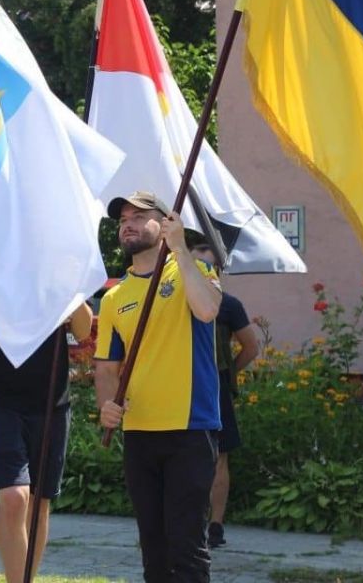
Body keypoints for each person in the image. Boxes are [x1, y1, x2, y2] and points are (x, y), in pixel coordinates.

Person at [95, 191, 222, 583]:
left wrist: (181, 249)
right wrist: (105, 405)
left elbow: (207, 309)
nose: (128, 223)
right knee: (154, 551)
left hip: (190, 429)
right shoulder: (114, 297)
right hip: (140, 434)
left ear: (165, 222)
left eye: (138, 215)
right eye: (122, 219)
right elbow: (106, 367)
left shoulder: (192, 270)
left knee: (186, 549)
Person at [0, 260, 93, 583]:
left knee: (39, 503)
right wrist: (42, 322)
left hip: (51, 400)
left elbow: (83, 329)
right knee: (15, 496)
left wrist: (70, 287)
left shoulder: (58, 262)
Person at [189, 244, 261, 550]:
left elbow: (250, 346)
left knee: (219, 458)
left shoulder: (229, 305)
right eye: (197, 266)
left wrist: (228, 375)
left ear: (218, 271)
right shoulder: (175, 301)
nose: (204, 272)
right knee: (185, 457)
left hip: (215, 385)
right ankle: (189, 522)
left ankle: (215, 525)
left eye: (209, 266)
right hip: (180, 384)